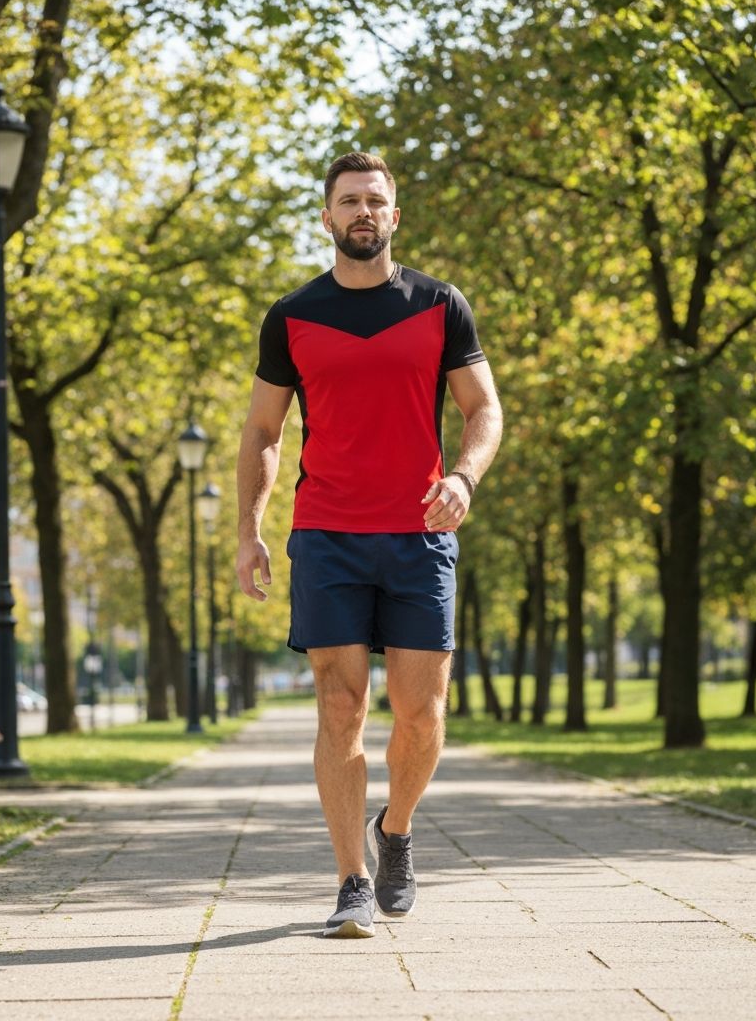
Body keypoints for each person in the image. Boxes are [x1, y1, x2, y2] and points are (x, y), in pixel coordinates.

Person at [235, 151, 502, 938]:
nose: (362, 212)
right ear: (326, 216)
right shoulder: (291, 316)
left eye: (374, 202)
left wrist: (464, 478)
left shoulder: (440, 304)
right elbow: (262, 429)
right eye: (348, 201)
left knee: (419, 714)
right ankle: (352, 878)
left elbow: (483, 409)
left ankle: (396, 832)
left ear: (393, 217)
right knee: (339, 704)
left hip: (421, 532)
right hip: (327, 535)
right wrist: (249, 530)